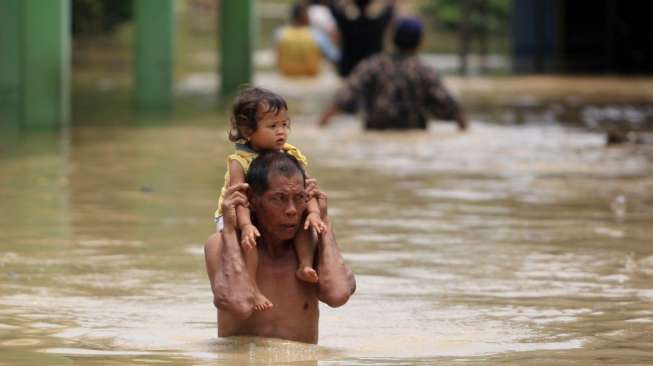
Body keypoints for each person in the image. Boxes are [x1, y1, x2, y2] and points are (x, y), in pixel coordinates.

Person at [204, 152, 356, 344]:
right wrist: (228, 228)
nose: (292, 210)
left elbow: (338, 295)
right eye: (279, 198)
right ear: (252, 200)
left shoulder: (309, 248)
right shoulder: (222, 244)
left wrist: (324, 220)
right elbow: (239, 304)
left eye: (299, 198)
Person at [213, 86, 327, 311]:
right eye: (272, 126)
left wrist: (314, 213)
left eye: (285, 125)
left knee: (303, 223)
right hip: (238, 214)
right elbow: (239, 199)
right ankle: (253, 287)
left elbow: (308, 189)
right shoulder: (240, 160)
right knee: (249, 242)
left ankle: (304, 265)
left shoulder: (290, 154)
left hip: (272, 212)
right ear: (247, 130)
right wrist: (245, 226)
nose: (281, 132)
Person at [318, 17, 468, 130]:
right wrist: (464, 127)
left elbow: (343, 97)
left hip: (375, 135)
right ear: (421, 41)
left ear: (391, 38)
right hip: (414, 139)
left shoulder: (372, 65)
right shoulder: (424, 71)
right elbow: (452, 107)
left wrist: (321, 124)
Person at [328, 0, 395, 77]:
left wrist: (346, 3)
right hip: (372, 72)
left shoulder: (347, 24)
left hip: (350, 71)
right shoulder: (378, 25)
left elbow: (333, 8)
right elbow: (389, 9)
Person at [276, 2, 340, 77]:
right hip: (311, 77)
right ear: (305, 16)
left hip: (287, 76)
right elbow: (334, 56)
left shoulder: (280, 33)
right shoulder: (316, 34)